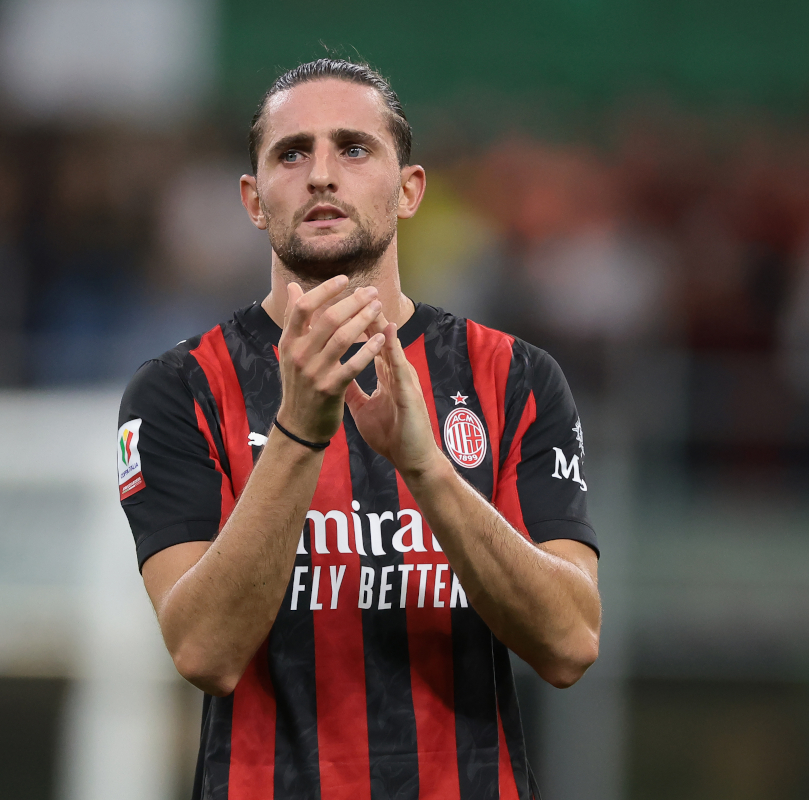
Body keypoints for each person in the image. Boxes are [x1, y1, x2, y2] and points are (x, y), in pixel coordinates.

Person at [117, 59, 601, 800]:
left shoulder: (515, 377)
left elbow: (571, 643)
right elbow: (204, 649)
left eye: (352, 148)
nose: (320, 175)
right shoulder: (180, 390)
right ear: (253, 200)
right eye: (291, 153)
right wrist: (299, 433)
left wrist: (428, 468)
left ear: (409, 190)